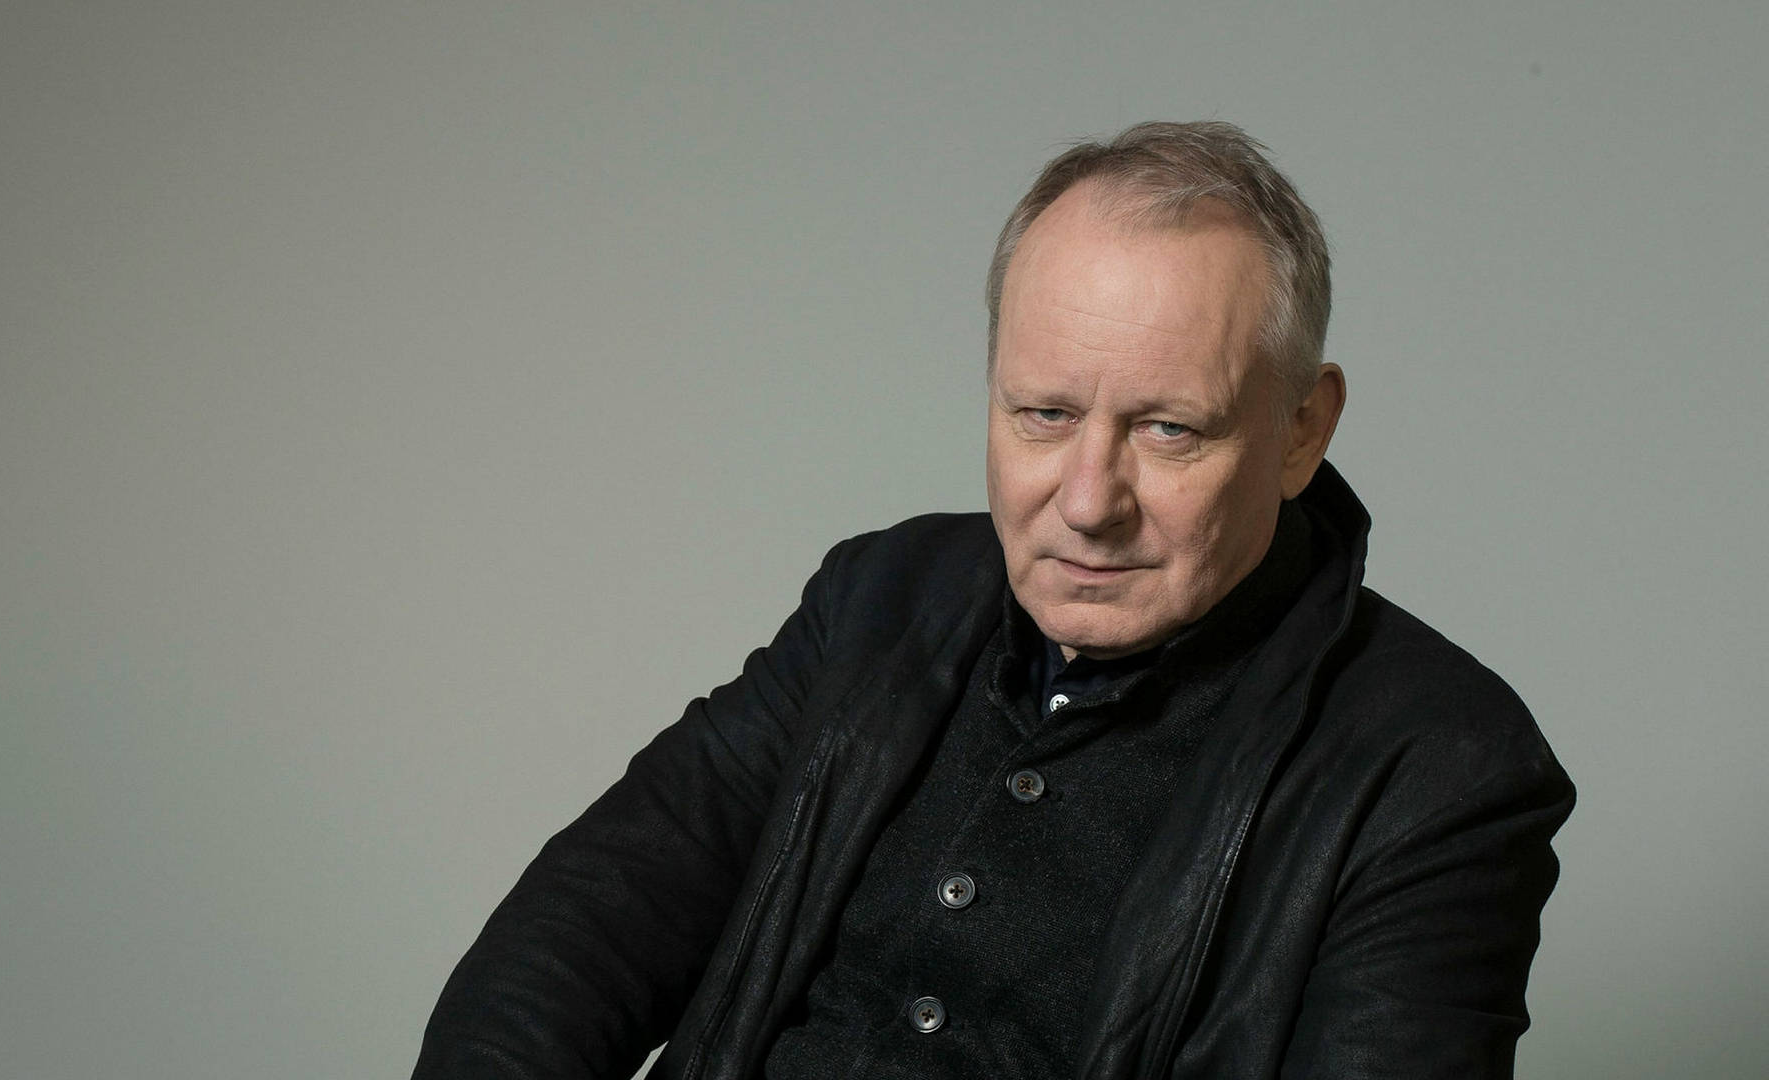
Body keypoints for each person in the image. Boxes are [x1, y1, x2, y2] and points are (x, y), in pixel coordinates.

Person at [412, 121, 1575, 1080]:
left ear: (1300, 431)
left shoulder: (1443, 767)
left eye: (1167, 430)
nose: (1087, 501)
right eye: (1045, 415)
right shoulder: (878, 599)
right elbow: (587, 922)